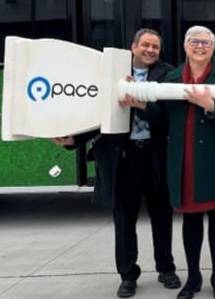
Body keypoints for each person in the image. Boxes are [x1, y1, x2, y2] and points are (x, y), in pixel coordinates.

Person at [51, 29, 179, 298]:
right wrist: (73, 139)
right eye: (145, 45)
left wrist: (144, 105)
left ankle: (166, 269)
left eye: (155, 46)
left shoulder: (168, 74)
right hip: (123, 157)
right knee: (123, 219)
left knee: (162, 216)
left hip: (155, 156)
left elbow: (170, 119)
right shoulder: (111, 72)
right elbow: (98, 114)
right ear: (133, 47)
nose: (150, 50)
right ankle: (127, 275)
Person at [127, 26, 215, 299]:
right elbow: (163, 118)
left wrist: (211, 105)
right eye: (194, 41)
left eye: (205, 42)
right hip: (184, 158)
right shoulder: (172, 76)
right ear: (185, 46)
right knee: (190, 220)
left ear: (213, 47)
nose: (199, 46)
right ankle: (193, 277)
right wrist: (143, 105)